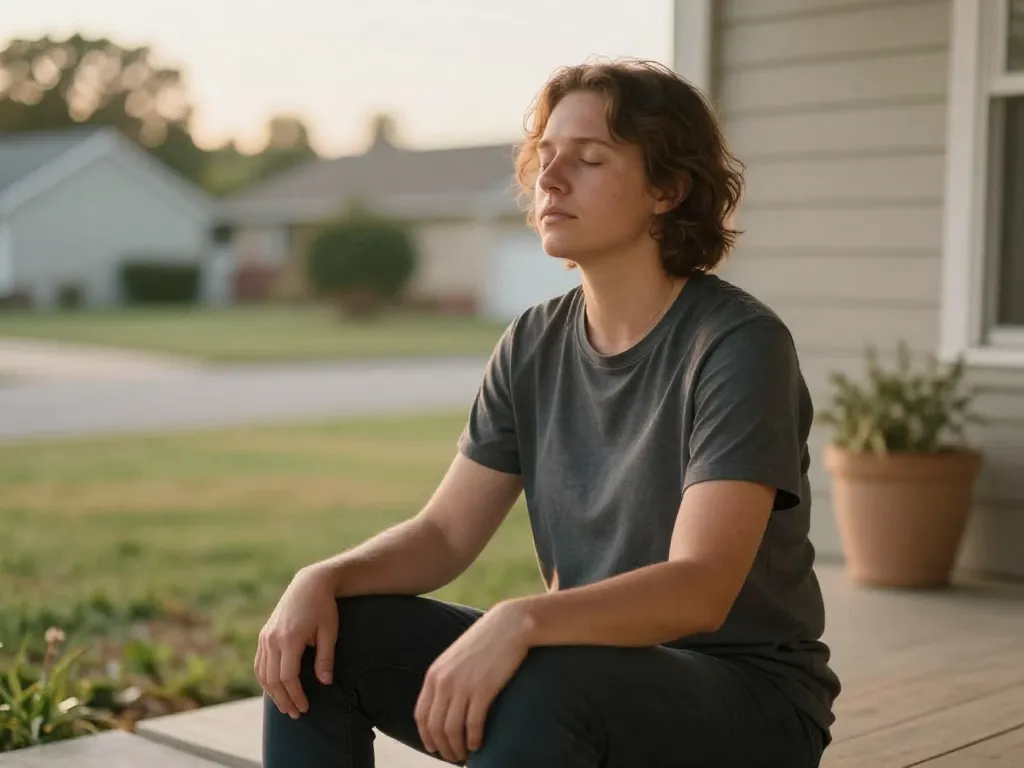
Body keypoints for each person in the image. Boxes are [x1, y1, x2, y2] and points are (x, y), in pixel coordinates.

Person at [256, 58, 841, 767]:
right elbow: (444, 534)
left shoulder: (737, 345)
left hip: (748, 704)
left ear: (668, 189)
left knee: (549, 682)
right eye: (546, 156)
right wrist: (323, 577)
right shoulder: (532, 341)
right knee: (319, 640)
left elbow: (700, 588)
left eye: (589, 159)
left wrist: (522, 619)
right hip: (584, 677)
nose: (550, 179)